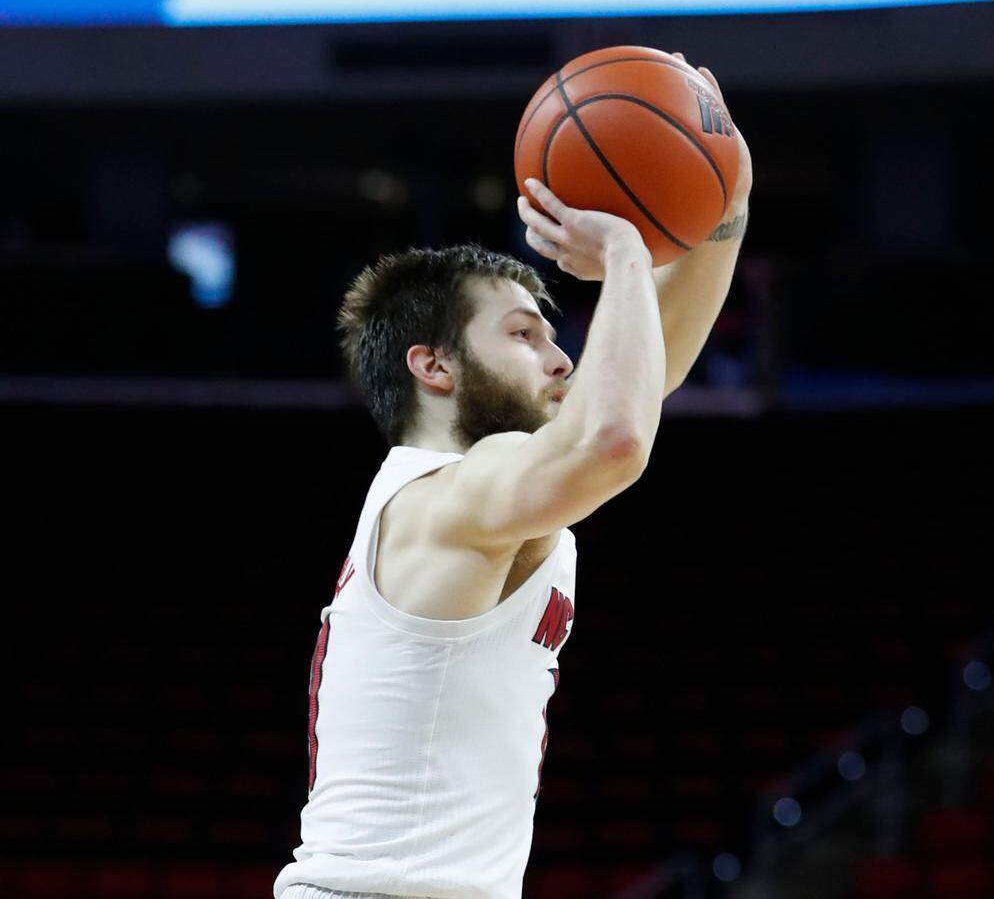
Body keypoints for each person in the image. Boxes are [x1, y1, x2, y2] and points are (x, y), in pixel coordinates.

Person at [275, 63, 750, 899]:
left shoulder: (469, 493)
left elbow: (644, 377)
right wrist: (628, 253)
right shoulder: (449, 495)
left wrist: (727, 201)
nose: (561, 356)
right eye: (525, 334)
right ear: (436, 365)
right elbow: (614, 437)